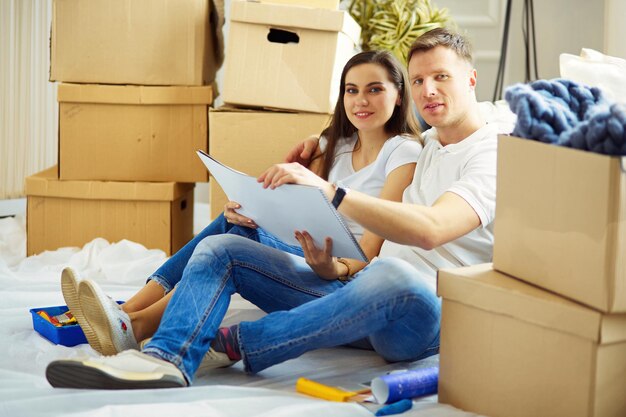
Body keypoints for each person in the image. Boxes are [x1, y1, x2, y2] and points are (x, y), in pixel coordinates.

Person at [46, 27, 498, 390]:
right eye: (419, 80)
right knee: (222, 245)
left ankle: (233, 343)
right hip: (353, 296)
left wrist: (329, 193)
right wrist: (305, 164)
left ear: (471, 80)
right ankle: (165, 355)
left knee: (392, 274)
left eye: (442, 77)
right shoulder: (431, 143)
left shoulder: (492, 154)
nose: (428, 90)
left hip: (426, 315)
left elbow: (432, 229)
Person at [58, 49, 422, 358]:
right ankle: (127, 312)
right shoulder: (335, 145)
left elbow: (370, 251)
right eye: (351, 90)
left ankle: (132, 321)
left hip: (343, 281)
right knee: (238, 222)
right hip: (303, 255)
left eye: (375, 90)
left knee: (236, 241)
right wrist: (253, 210)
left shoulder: (402, 151)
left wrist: (333, 267)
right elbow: (292, 208)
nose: (361, 101)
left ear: (399, 95)